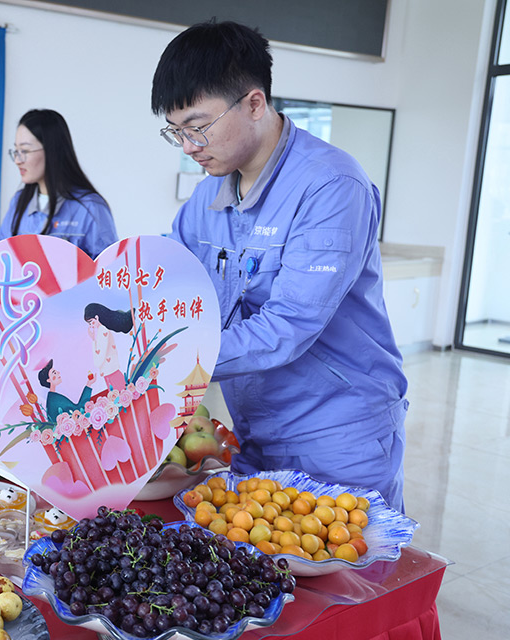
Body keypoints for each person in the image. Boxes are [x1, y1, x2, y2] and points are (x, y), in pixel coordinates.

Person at [152, 21, 408, 509]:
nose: (188, 146)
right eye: (176, 131)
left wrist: (166, 363)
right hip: (254, 427)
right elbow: (169, 277)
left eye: (198, 126)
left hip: (335, 432)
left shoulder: (331, 187)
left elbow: (288, 326)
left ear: (254, 103)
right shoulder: (209, 196)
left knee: (344, 556)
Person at [0, 109, 118, 258]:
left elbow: (108, 266)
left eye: (25, 151)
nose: (17, 160)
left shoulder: (90, 207)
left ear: (51, 150)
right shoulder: (19, 202)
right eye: (16, 151)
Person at [83, 303, 133, 390]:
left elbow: (100, 357)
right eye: (89, 324)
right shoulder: (101, 331)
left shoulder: (103, 331)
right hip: (109, 371)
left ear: (97, 318)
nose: (91, 326)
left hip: (111, 372)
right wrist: (94, 339)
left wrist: (93, 341)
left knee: (122, 393)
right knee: (119, 394)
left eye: (91, 322)